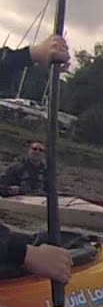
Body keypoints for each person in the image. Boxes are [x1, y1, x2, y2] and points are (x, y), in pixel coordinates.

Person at [0, 33, 72, 283]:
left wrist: (32, 55)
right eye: (35, 150)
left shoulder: (45, 170)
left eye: (41, 151)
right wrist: (25, 254)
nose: (37, 153)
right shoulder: (17, 168)